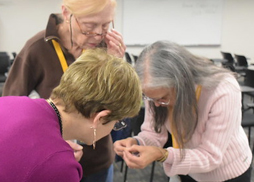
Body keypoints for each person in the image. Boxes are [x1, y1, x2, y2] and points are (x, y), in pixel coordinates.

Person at [2, 0, 126, 181]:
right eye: (90, 25)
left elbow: (118, 107)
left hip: (97, 158)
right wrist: (52, 139)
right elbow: (11, 107)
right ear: (66, 13)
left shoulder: (107, 48)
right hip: (50, 159)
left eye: (106, 25)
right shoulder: (37, 48)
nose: (99, 34)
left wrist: (117, 65)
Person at [114, 40, 252, 182]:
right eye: (150, 98)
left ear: (182, 83)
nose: (156, 104)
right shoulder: (155, 89)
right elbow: (154, 134)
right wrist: (137, 142)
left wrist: (162, 154)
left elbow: (211, 156)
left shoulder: (223, 89)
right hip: (187, 167)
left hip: (226, 173)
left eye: (163, 98)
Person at [0, 48, 142, 182]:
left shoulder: (9, 102)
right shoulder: (61, 168)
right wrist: (57, 161)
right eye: (117, 123)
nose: (113, 128)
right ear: (100, 118)